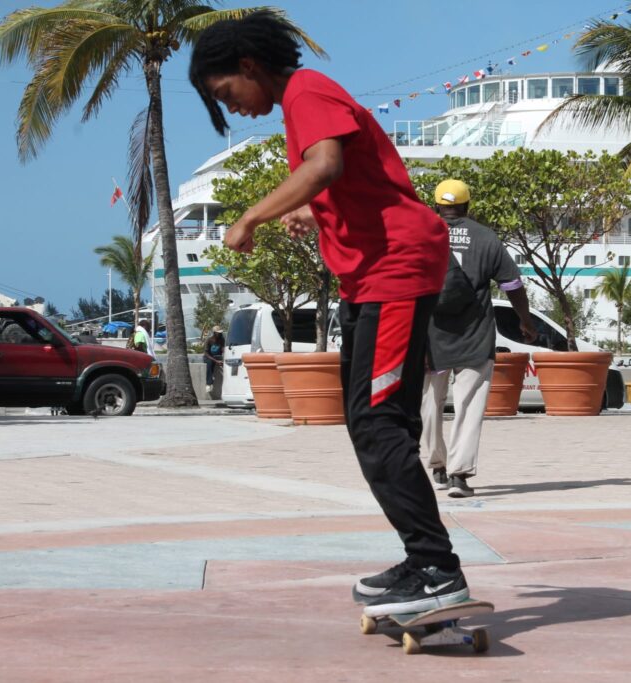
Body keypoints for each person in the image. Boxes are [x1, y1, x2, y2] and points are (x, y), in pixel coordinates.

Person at [189, 11, 467, 618]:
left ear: (248, 65)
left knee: (377, 422)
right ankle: (424, 560)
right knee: (375, 420)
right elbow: (357, 181)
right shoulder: (302, 102)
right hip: (373, 276)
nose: (231, 107)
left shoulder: (306, 92)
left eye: (225, 92)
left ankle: (437, 569)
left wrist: (251, 216)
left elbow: (326, 166)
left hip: (395, 270)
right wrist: (315, 210)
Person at [421, 180, 537, 498]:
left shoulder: (422, 235)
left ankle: (438, 465)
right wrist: (525, 321)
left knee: (429, 402)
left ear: (436, 206)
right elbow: (512, 285)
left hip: (432, 337)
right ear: (468, 205)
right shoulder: (485, 237)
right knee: (468, 404)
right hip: (475, 335)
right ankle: (459, 476)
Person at [203, 326, 226, 396]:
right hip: (209, 356)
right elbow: (206, 353)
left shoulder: (222, 340)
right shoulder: (209, 340)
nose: (219, 334)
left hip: (217, 356)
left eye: (220, 333)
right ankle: (208, 383)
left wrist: (223, 358)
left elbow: (223, 350)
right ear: (214, 333)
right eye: (218, 333)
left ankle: (212, 377)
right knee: (210, 363)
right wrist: (216, 361)